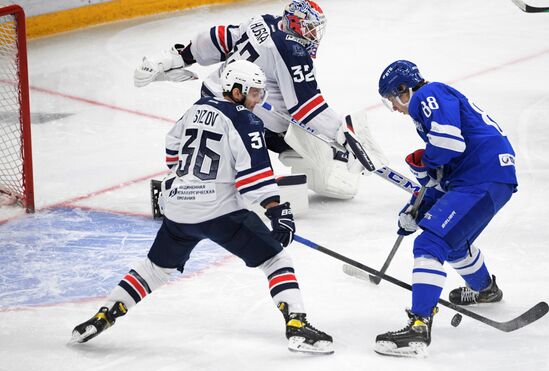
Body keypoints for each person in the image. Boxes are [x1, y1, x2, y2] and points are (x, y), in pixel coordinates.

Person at [72, 60, 333, 355]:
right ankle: (297, 326)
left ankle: (104, 315)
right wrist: (277, 211)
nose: (259, 100)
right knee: (276, 261)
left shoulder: (196, 108)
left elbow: (172, 146)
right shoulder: (245, 120)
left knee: (155, 269)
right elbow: (255, 177)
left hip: (178, 210)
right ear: (236, 91)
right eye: (255, 93)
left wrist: (186, 180)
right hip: (221, 213)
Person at [133, 0, 369, 200]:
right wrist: (343, 134)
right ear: (296, 24)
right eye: (309, 29)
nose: (314, 35)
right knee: (268, 166)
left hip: (215, 94)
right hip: (247, 115)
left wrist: (180, 57)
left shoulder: (264, 21)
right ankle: (190, 188)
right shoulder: (293, 51)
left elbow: (222, 39)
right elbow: (308, 109)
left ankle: (185, 180)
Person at [374, 60, 518, 357]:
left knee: (430, 242)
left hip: (481, 176)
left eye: (393, 99)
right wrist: (416, 207)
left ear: (404, 90)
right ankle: (485, 289)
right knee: (451, 244)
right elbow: (444, 176)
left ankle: (418, 327)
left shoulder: (429, 95)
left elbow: (449, 145)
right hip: (486, 176)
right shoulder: (432, 105)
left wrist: (425, 165)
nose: (396, 109)